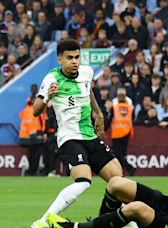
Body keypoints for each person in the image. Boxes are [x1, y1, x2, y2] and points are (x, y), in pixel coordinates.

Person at [31, 39, 123, 228]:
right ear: (60, 60)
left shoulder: (87, 72)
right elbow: (36, 110)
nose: (74, 61)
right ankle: (42, 222)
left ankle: (122, 222)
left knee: (118, 179)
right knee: (83, 181)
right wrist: (48, 95)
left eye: (77, 57)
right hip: (70, 138)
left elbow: (88, 91)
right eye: (70, 58)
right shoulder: (51, 78)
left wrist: (97, 113)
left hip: (89, 135)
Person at [105, 86, 136, 176]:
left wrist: (104, 130)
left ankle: (129, 168)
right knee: (122, 154)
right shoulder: (130, 108)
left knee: (117, 154)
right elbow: (132, 118)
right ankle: (121, 172)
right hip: (127, 132)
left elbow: (109, 119)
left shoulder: (114, 107)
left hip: (117, 133)